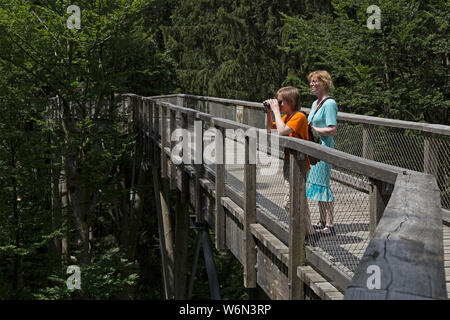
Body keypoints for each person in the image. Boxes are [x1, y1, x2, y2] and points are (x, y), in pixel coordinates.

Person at [264, 86, 316, 237]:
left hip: (299, 164)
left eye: (280, 102)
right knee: (301, 200)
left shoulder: (299, 117)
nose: (278, 105)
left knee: (290, 202)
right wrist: (268, 113)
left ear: (291, 102)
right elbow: (270, 130)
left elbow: (281, 131)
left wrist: (275, 112)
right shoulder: (286, 117)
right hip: (290, 162)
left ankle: (300, 233)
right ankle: (309, 232)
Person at [306, 71, 338, 235]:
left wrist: (315, 130)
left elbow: (332, 130)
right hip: (315, 149)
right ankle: (322, 219)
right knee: (317, 183)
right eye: (311, 82)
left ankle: (330, 223)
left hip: (324, 148)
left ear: (324, 83)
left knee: (324, 184)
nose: (312, 84)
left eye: (315, 81)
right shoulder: (315, 103)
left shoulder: (329, 104)